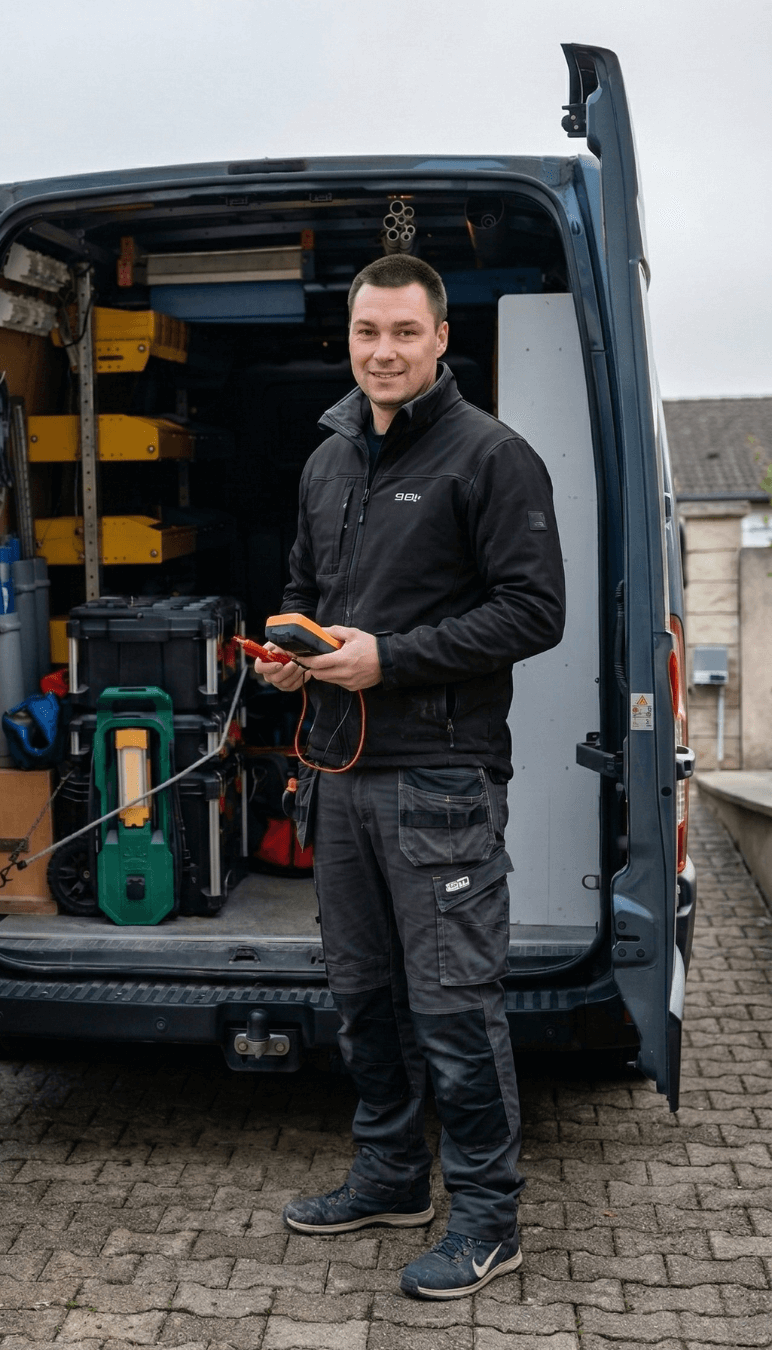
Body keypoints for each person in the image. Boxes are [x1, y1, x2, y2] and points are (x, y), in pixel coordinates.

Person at [255, 253, 565, 1300]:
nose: (382, 352)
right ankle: (391, 1177)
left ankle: (488, 1219)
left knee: (454, 1008)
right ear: (347, 338)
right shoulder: (328, 459)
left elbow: (534, 611)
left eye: (403, 332)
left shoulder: (492, 456)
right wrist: (294, 655)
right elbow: (307, 588)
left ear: (439, 338)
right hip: (338, 770)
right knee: (363, 997)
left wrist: (389, 658)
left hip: (440, 781)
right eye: (366, 332)